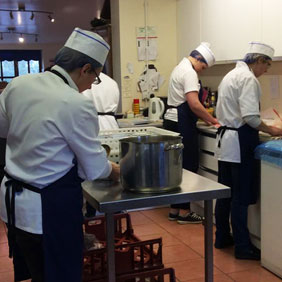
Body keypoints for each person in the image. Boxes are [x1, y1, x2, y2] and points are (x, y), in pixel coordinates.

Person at [0, 27, 120, 282]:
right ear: (85, 68)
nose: (91, 86)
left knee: (36, 272)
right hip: (47, 212)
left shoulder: (18, 84)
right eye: (95, 77)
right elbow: (95, 169)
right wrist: (116, 171)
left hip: (14, 207)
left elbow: (3, 130)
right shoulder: (75, 102)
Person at [214, 41, 282, 260]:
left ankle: (222, 236)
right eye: (267, 66)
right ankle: (243, 247)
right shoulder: (248, 79)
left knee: (224, 194)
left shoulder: (230, 76)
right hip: (239, 142)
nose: (266, 71)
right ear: (259, 61)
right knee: (241, 196)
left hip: (226, 142)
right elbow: (251, 118)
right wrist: (272, 129)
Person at [163, 42, 219, 224]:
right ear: (198, 59)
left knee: (175, 167)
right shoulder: (189, 72)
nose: (201, 71)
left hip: (171, 120)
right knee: (187, 166)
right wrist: (212, 120)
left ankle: (174, 209)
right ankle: (185, 213)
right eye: (203, 67)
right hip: (182, 122)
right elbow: (194, 104)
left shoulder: (179, 68)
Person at [82, 72, 120, 217]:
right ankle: (115, 210)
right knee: (113, 171)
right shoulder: (111, 82)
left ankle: (91, 212)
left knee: (91, 175)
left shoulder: (83, 80)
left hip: (90, 125)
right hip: (111, 126)